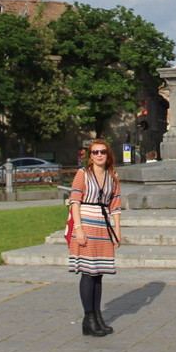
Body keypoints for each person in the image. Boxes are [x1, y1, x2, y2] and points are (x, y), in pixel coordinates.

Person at [68, 139, 122, 337]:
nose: (99, 155)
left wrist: (117, 230)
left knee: (98, 272)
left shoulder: (112, 177)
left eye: (103, 152)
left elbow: (115, 204)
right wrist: (79, 228)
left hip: (103, 226)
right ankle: (89, 317)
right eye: (95, 152)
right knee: (88, 272)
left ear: (108, 155)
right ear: (90, 156)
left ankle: (97, 315)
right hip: (87, 224)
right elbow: (74, 202)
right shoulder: (82, 175)